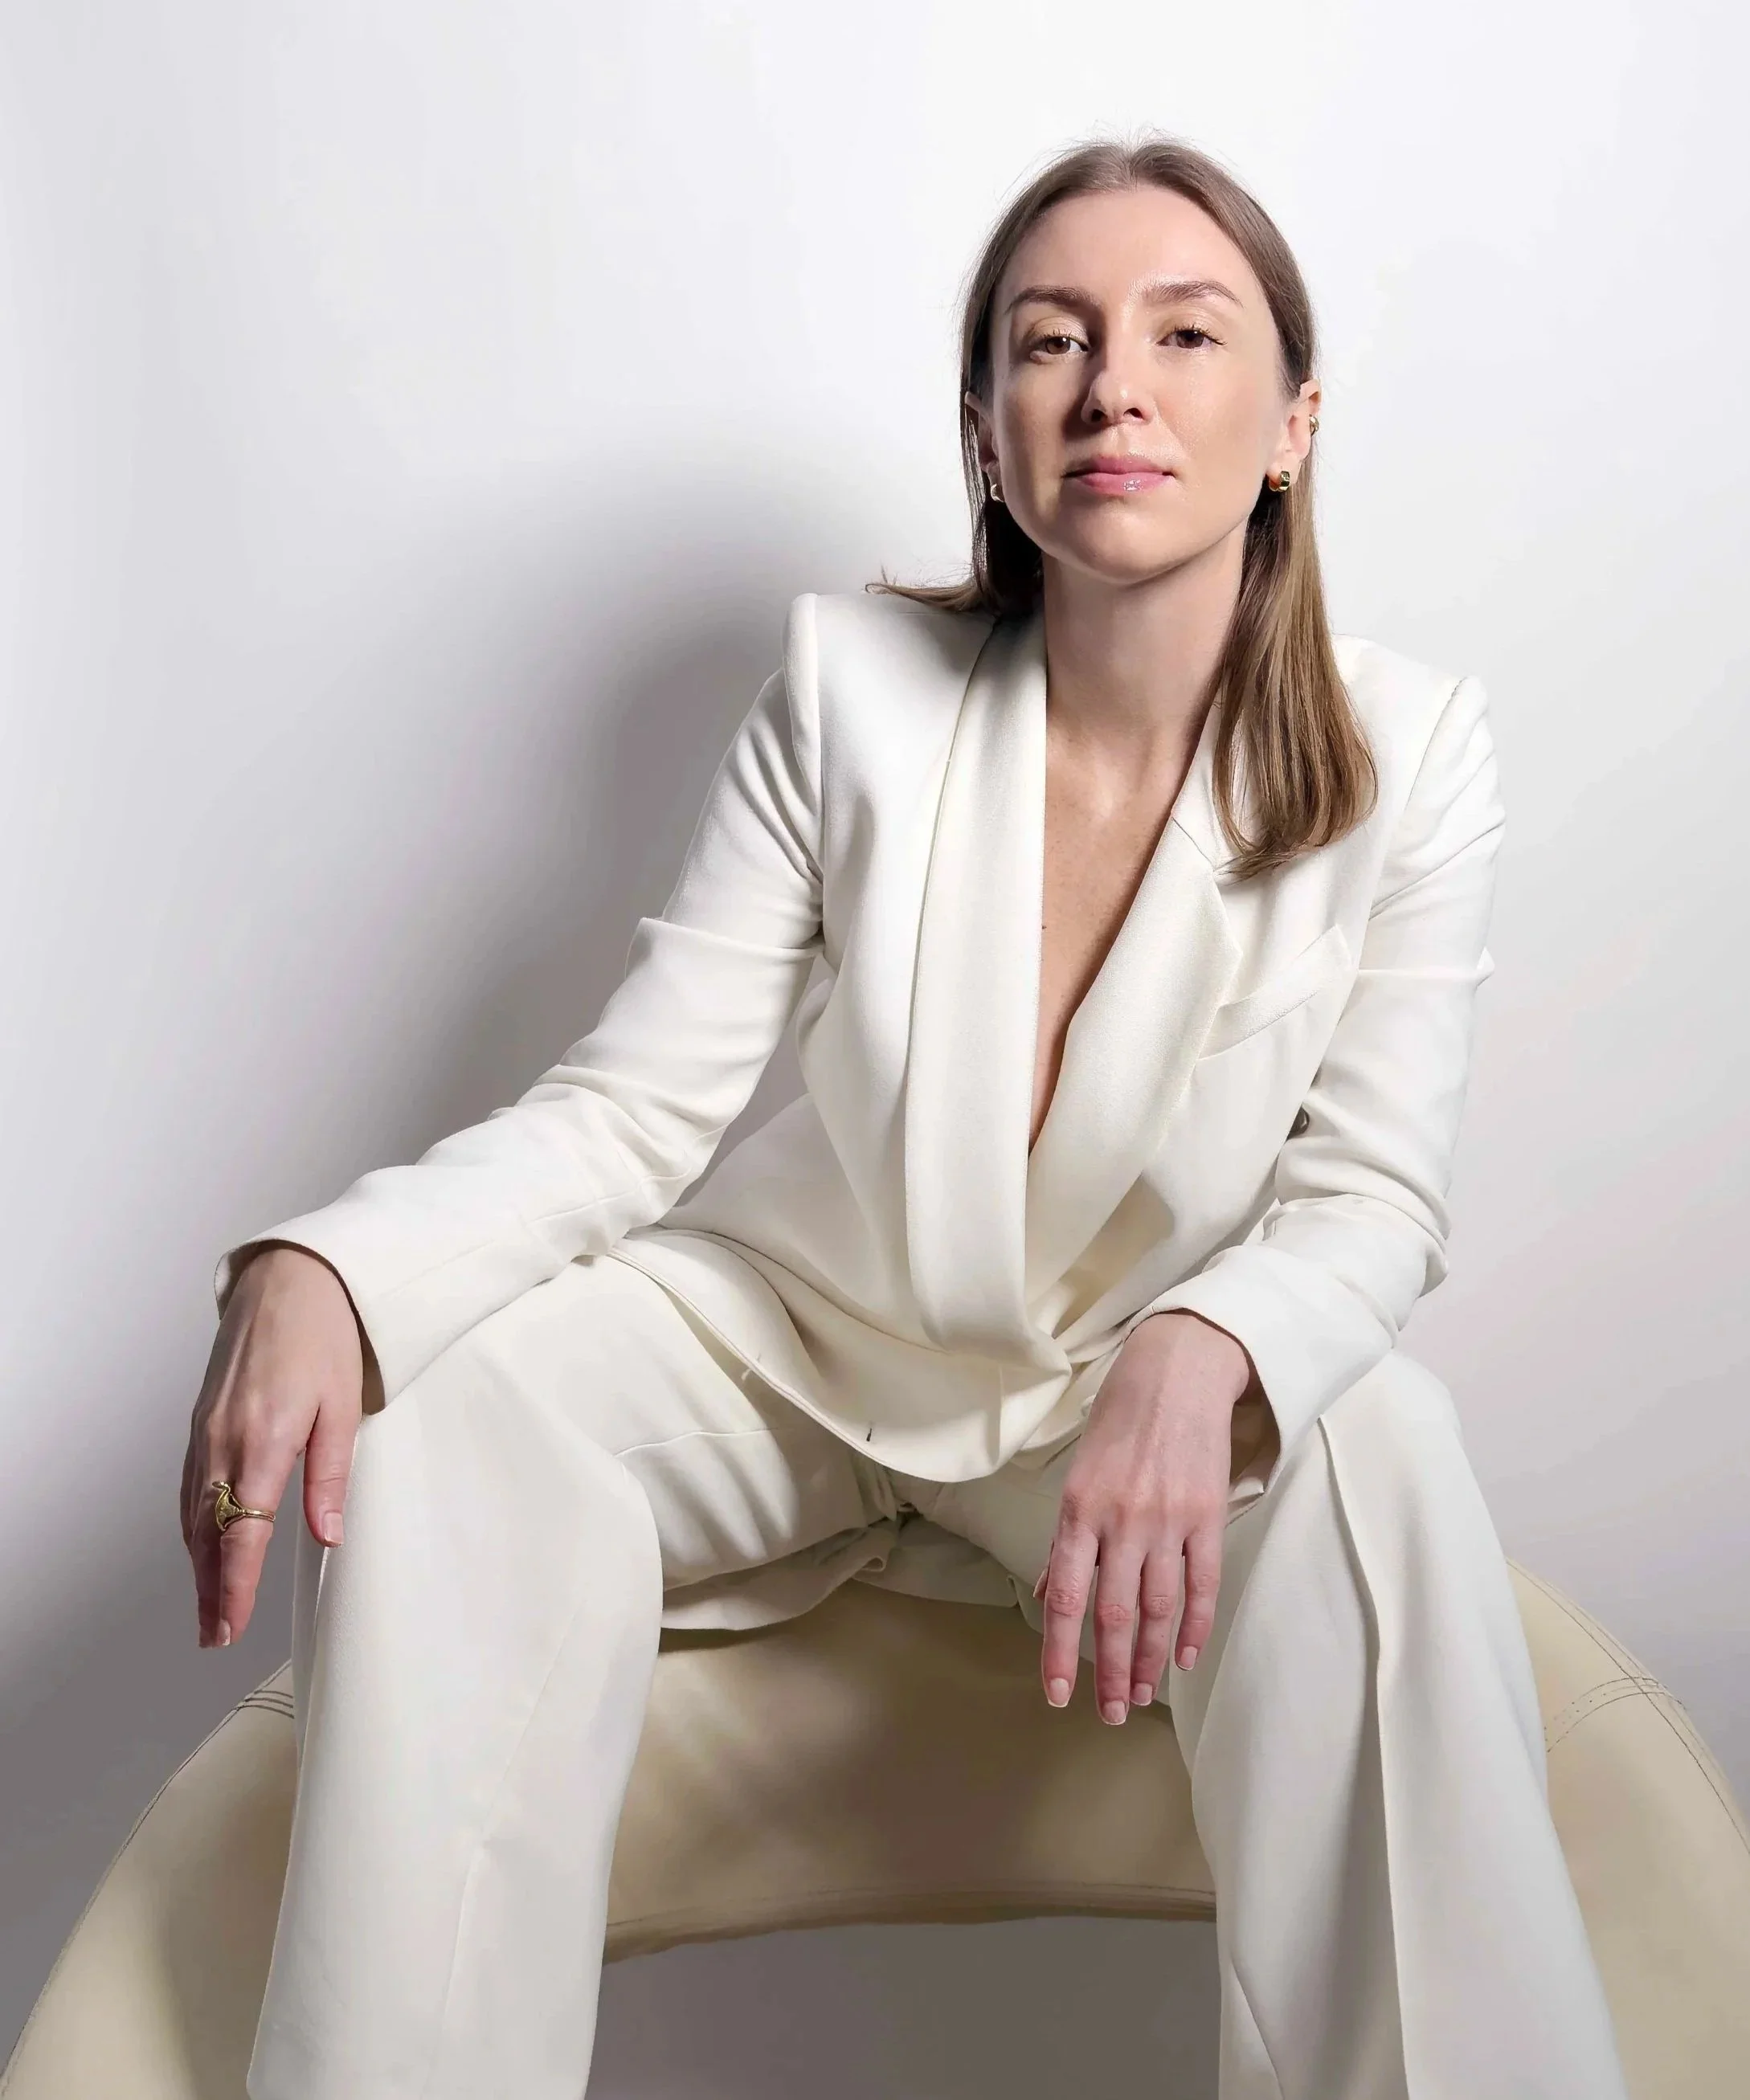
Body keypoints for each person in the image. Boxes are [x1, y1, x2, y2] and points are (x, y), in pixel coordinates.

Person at [181, 132, 1632, 2100]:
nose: (1115, 381)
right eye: (1054, 340)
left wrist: (1204, 1343)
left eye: (1185, 333)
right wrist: (330, 1271)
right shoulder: (842, 687)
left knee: (1383, 1444)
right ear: (987, 431)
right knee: (451, 1406)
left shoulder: (1410, 756)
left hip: (1123, 1382)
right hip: (797, 1340)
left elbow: (1371, 1194)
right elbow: (634, 1110)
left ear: (1291, 421)